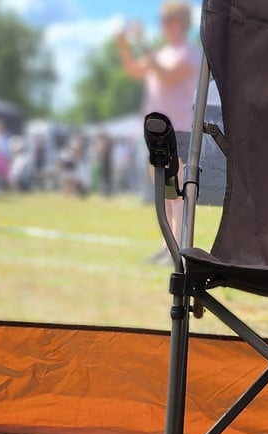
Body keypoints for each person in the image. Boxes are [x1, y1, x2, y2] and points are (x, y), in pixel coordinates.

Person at [118, 2, 200, 258]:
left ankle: (177, 250)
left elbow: (167, 75)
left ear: (181, 22)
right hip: (157, 133)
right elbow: (134, 70)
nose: (163, 25)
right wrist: (123, 45)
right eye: (162, 20)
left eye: (167, 20)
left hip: (179, 129)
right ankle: (167, 247)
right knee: (163, 194)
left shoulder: (191, 53)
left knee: (176, 193)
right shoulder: (162, 53)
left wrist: (142, 43)